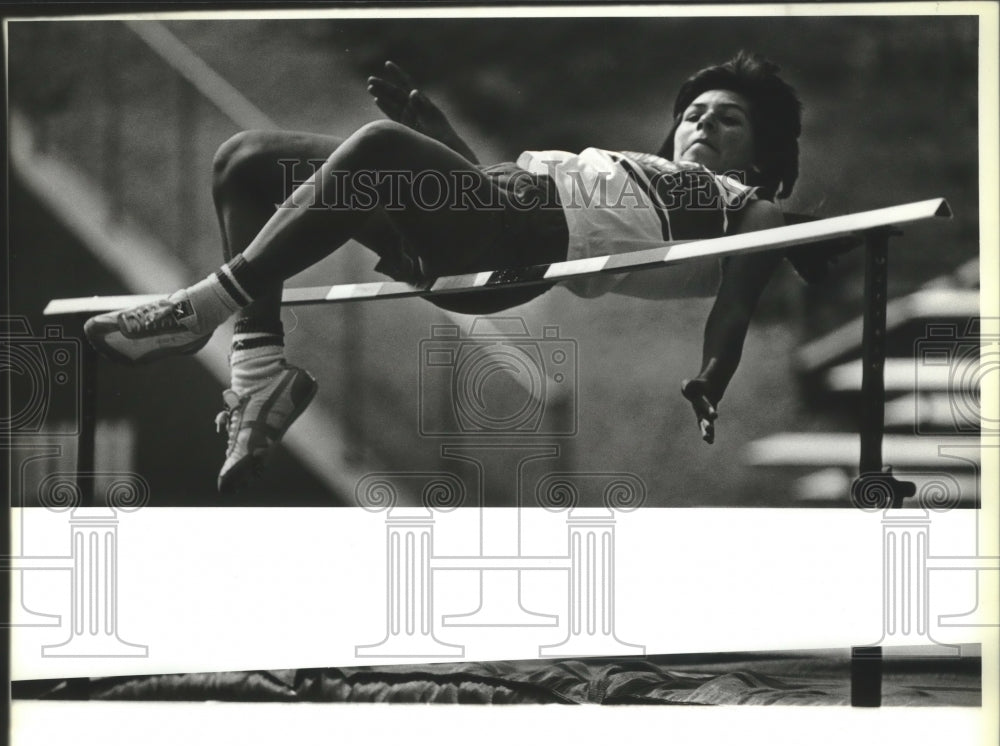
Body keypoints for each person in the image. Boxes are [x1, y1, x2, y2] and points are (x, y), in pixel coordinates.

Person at [84, 52, 802, 493]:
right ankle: (258, 376)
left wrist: (713, 376)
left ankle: (204, 309)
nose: (703, 124)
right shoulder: (628, 169)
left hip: (515, 246)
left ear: (758, 158)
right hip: (484, 216)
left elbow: (736, 301)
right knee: (245, 161)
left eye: (728, 121)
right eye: (695, 114)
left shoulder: (747, 206)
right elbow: (489, 185)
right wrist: (437, 133)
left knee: (379, 148)